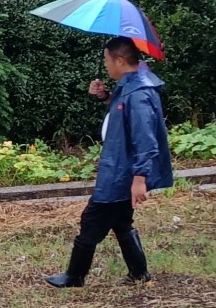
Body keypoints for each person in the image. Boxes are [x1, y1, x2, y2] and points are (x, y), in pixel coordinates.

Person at [46, 36, 173, 288]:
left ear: (119, 60)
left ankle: (75, 276)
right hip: (119, 166)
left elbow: (145, 140)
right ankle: (139, 273)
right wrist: (105, 96)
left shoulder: (139, 94)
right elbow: (122, 113)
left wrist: (139, 179)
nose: (105, 65)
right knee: (121, 221)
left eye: (106, 60)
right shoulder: (132, 85)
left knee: (91, 220)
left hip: (121, 172)